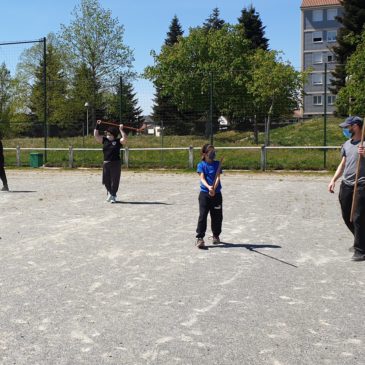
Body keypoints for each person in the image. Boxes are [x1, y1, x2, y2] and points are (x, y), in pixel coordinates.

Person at [328, 116, 365, 261]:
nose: (346, 129)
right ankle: (360, 240)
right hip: (346, 185)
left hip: (361, 185)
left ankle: (361, 251)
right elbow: (342, 165)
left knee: (358, 217)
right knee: (346, 216)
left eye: (347, 127)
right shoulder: (347, 144)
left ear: (355, 126)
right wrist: (333, 180)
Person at [195, 144, 223, 249]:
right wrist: (209, 187)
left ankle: (216, 236)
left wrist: (214, 189)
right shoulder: (201, 165)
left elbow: (218, 178)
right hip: (204, 194)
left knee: (217, 216)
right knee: (203, 216)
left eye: (214, 151)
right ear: (204, 154)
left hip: (216, 194)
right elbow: (202, 178)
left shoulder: (218, 164)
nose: (213, 154)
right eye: (210, 152)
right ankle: (200, 238)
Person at [94, 120, 127, 203]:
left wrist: (121, 129)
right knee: (106, 180)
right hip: (106, 163)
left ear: (113, 135)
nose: (107, 135)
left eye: (109, 134)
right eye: (107, 134)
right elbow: (96, 135)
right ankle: (110, 193)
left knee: (115, 180)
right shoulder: (104, 140)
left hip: (116, 163)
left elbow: (125, 139)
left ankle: (113, 195)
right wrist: (97, 125)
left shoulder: (118, 141)